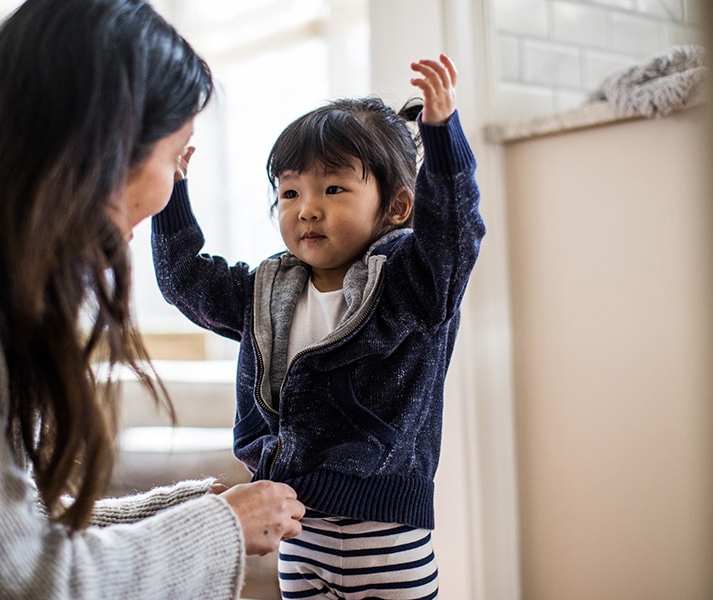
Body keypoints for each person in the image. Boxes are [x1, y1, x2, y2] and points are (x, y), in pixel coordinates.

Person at [0, 0, 304, 598]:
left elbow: (15, 532)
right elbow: (26, 583)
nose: (171, 189)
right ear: (107, 148)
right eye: (176, 156)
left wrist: (198, 511)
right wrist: (220, 528)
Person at [153, 54, 485, 599]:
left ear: (399, 206)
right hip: (300, 538)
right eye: (289, 193)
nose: (307, 209)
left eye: (333, 190)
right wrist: (171, 196)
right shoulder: (268, 290)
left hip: (386, 541)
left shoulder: (411, 284)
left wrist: (443, 139)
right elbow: (185, 281)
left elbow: (453, 235)